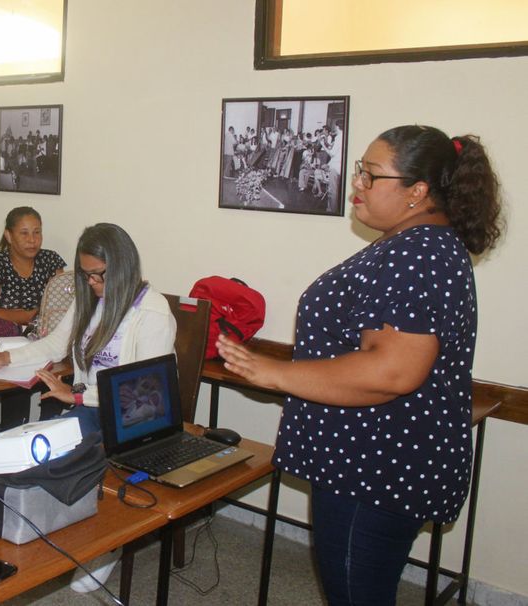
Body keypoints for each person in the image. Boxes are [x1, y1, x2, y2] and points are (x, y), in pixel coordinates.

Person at [215, 125, 504, 606]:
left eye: (371, 176)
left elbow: (391, 371)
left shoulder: (422, 253)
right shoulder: (413, 245)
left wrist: (274, 373)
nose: (357, 185)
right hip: (370, 463)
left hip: (373, 472)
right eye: (359, 173)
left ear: (418, 191)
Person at [0, 222, 175, 593]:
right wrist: (5, 355)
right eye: (87, 276)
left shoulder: (153, 311)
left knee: (76, 454)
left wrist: (79, 396)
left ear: (124, 266)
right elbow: (53, 345)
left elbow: (145, 393)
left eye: (99, 276)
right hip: (91, 405)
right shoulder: (91, 299)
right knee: (37, 450)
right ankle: (69, 528)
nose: (93, 284)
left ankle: (108, 541)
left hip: (133, 419)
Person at [0, 206, 65, 330]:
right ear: (9, 235)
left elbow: (61, 307)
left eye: (37, 232)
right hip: (2, 336)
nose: (32, 240)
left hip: (44, 335)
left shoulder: (50, 260)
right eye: (24, 233)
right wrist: (27, 316)